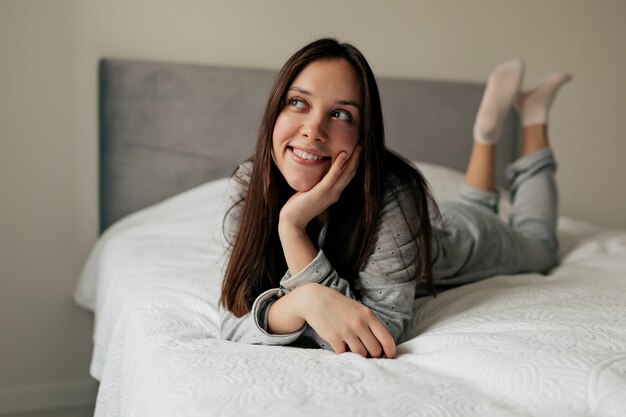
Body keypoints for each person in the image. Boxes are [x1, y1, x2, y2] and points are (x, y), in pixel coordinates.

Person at [218, 38, 572, 359]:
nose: (313, 130)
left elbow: (379, 332)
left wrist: (292, 227)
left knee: (540, 247)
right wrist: (305, 301)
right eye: (298, 102)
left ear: (363, 136)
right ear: (274, 112)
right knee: (475, 206)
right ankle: (486, 133)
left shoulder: (393, 191)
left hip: (463, 243)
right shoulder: (250, 184)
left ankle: (534, 116)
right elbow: (232, 319)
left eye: (340, 114)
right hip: (420, 229)